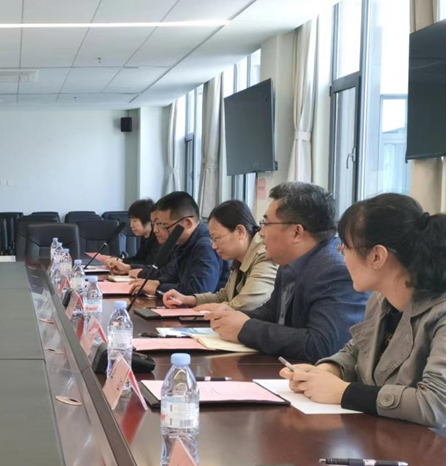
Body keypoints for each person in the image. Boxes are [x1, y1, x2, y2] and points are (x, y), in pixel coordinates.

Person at [280, 194, 445, 427]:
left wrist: (344, 392)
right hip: (381, 434)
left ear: (377, 256)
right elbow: (357, 350)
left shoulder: (441, 313)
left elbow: (436, 404)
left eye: (345, 248)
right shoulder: (380, 299)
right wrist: (329, 370)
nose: (343, 257)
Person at [207, 182, 368, 363]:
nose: (261, 233)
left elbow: (322, 345)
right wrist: (234, 317)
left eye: (266, 224)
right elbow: (272, 312)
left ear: (296, 232)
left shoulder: (335, 271)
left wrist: (245, 328)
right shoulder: (289, 262)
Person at [162, 200, 277, 311]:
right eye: (212, 239)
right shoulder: (239, 259)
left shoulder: (265, 256)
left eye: (216, 238)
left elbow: (246, 305)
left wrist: (205, 309)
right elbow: (224, 297)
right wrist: (187, 299)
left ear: (240, 232)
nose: (213, 246)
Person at [137, 192, 229, 295]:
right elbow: (172, 274)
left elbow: (199, 290)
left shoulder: (205, 246)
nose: (156, 230)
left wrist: (158, 288)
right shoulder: (184, 243)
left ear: (187, 223)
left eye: (164, 226)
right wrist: (157, 282)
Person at [102, 199, 160, 274]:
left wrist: (128, 267)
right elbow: (138, 259)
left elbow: (150, 265)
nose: (131, 225)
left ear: (149, 220)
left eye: (135, 221)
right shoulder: (145, 237)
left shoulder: (159, 238)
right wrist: (117, 260)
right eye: (131, 221)